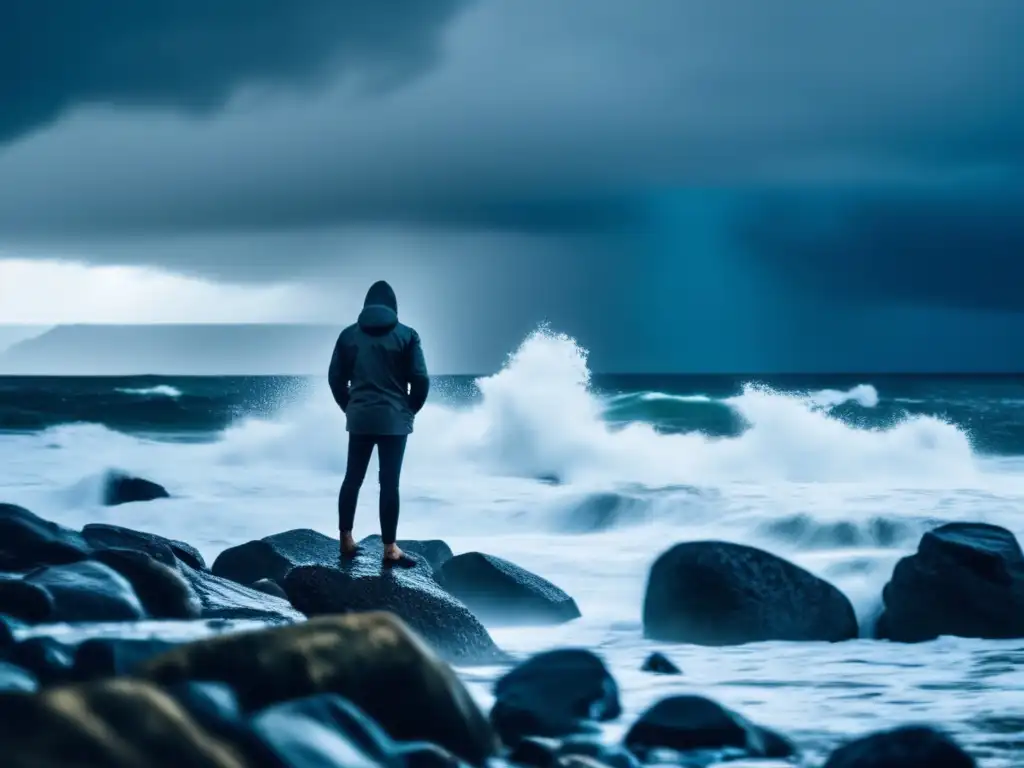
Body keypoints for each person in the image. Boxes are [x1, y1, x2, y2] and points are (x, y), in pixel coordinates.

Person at [328, 280, 430, 564]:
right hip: (394, 421)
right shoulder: (407, 336)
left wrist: (349, 406)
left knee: (352, 479)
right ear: (393, 306)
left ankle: (346, 539)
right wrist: (410, 409)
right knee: (389, 483)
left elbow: (335, 378)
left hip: (360, 418)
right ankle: (390, 548)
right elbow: (420, 379)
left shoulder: (348, 336)